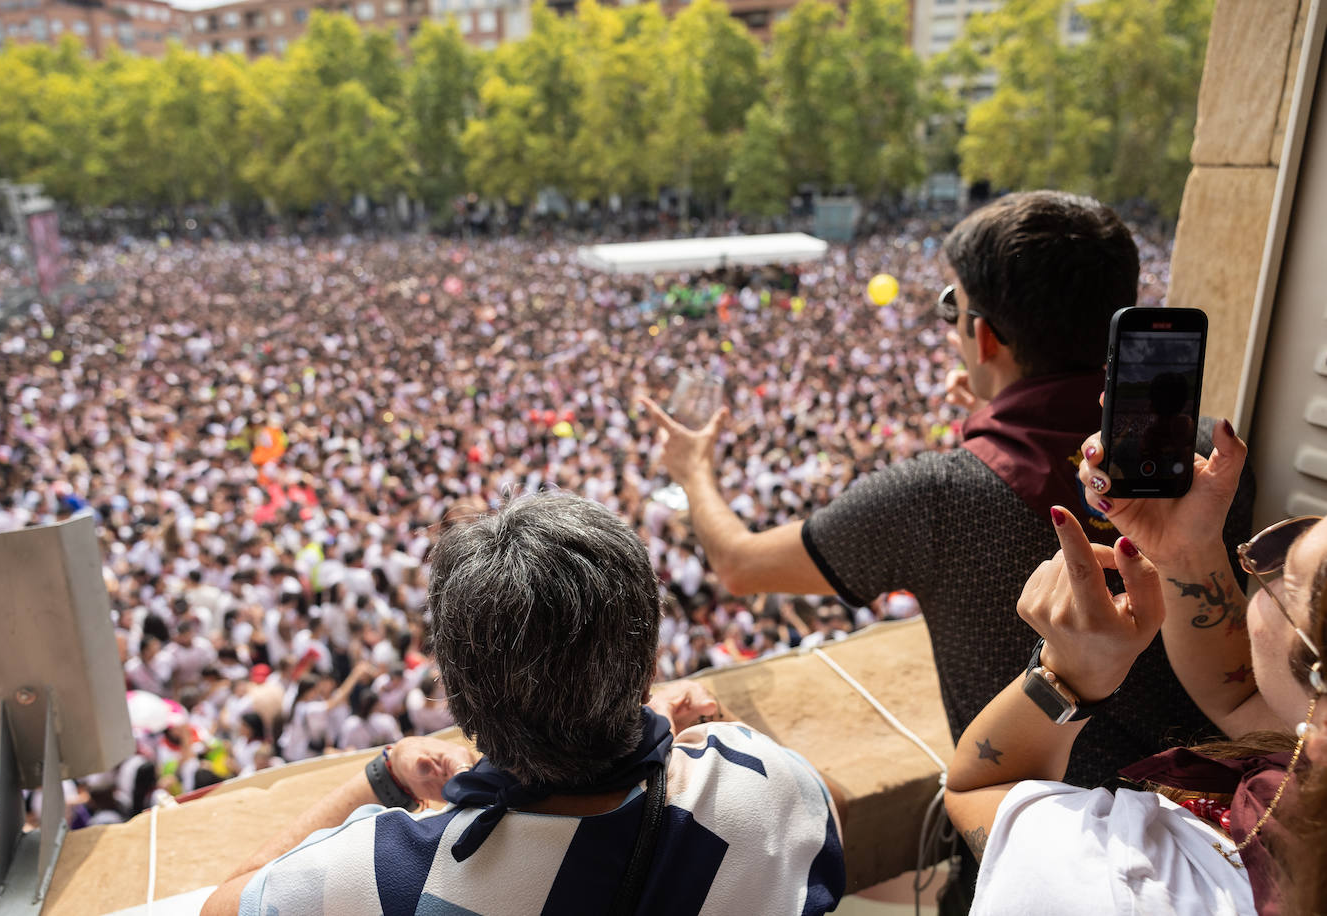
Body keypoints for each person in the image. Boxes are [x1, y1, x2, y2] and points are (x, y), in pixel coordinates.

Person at [643, 190, 1251, 790]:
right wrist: (997, 414)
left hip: (1036, 828)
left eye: (951, 307)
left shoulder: (933, 496)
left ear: (983, 336)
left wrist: (693, 471)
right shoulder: (1205, 461)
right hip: (1223, 803)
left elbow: (741, 564)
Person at [201, 493, 844, 916]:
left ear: (456, 699)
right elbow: (826, 808)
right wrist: (674, 723)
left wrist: (382, 774)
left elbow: (221, 906)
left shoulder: (386, 875)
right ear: (650, 664)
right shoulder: (761, 785)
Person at [945, 423, 1324, 914]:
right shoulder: (1308, 746)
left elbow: (976, 789)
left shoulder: (1134, 885)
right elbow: (1243, 699)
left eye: (1289, 580)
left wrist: (1071, 674)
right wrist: (1186, 552)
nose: (1263, 564)